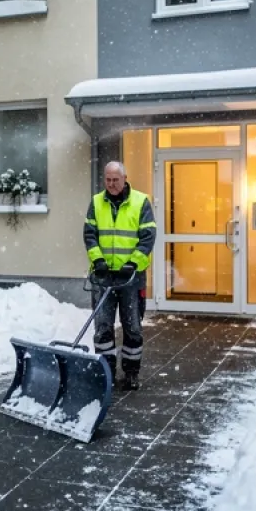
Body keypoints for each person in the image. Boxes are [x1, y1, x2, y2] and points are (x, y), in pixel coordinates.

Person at [83, 161, 157, 391]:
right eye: (108, 180)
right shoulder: (96, 203)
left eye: (116, 180)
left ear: (125, 178)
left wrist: (133, 263)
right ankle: (106, 372)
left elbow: (148, 237)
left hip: (130, 278)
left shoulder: (140, 201)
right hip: (103, 277)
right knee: (103, 327)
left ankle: (131, 373)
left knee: (132, 326)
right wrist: (98, 260)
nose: (112, 184)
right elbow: (89, 234)